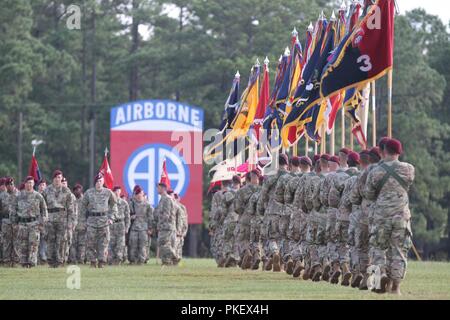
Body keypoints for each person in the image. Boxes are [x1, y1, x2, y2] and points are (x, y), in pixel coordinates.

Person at [364, 139, 414, 295]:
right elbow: (408, 183)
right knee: (399, 251)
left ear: (383, 151)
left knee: (377, 248)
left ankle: (380, 279)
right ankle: (396, 288)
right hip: (401, 217)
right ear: (399, 152)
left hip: (381, 216)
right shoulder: (408, 169)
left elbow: (369, 194)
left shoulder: (375, 171)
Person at [257, 154, 290, 272]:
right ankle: (284, 260)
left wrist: (261, 210)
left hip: (272, 211)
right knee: (285, 238)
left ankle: (275, 252)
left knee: (272, 237)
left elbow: (263, 195)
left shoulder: (270, 176)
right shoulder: (292, 177)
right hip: (287, 212)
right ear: (287, 163)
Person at [81, 173, 118, 268]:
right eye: (97, 181)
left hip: (104, 221)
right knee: (90, 243)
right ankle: (93, 261)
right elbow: (83, 207)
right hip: (91, 221)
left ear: (103, 182)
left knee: (104, 243)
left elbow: (114, 206)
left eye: (100, 181)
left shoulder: (108, 192)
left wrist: (111, 218)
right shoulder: (88, 193)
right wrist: (83, 221)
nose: (98, 183)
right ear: (95, 183)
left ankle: (102, 262)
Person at [11, 176, 48, 268]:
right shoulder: (19, 196)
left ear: (34, 184)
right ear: (25, 184)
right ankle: (24, 264)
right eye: (28, 183)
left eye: (31, 183)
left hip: (34, 224)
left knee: (33, 245)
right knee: (22, 245)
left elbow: (44, 211)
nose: (29, 185)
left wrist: (41, 224)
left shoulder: (38, 196)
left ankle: (31, 264)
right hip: (22, 224)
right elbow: (13, 211)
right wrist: (14, 224)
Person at [42, 170, 75, 268]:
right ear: (53, 179)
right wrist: (43, 219)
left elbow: (70, 209)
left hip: (62, 219)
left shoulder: (66, 191)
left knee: (61, 241)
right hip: (50, 219)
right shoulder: (46, 191)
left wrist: (70, 222)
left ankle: (59, 261)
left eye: (59, 178)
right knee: (50, 240)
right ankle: (51, 261)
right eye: (56, 177)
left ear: (62, 179)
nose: (57, 179)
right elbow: (42, 206)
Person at [234, 170, 260, 269]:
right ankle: (257, 254)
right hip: (258, 220)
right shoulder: (262, 190)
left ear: (247, 179)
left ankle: (246, 252)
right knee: (256, 240)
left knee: (242, 239)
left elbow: (237, 208)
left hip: (245, 219)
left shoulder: (241, 191)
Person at [128, 185, 153, 265]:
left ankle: (141, 261)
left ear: (143, 194)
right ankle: (133, 260)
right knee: (133, 245)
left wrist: (150, 228)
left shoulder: (147, 205)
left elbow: (150, 217)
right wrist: (131, 217)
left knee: (143, 245)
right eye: (137, 194)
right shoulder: (131, 204)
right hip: (134, 228)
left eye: (140, 194)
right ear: (135, 195)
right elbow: (127, 215)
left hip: (144, 228)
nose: (139, 196)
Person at [154, 183, 177, 266]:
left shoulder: (167, 199)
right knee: (164, 243)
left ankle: (174, 256)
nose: (157, 189)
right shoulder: (163, 199)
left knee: (162, 243)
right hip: (164, 225)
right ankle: (167, 262)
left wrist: (160, 224)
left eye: (158, 188)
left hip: (166, 226)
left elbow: (166, 215)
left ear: (163, 188)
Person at [0, 177, 20, 267]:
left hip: (16, 221)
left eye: (12, 184)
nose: (10, 186)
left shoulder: (19, 194)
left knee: (16, 241)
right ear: (6, 186)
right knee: (6, 242)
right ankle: (6, 261)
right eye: (8, 185)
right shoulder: (2, 195)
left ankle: (15, 261)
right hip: (5, 221)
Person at [108, 186, 130, 265]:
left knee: (120, 244)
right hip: (111, 225)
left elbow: (127, 217)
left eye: (118, 191)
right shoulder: (109, 203)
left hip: (121, 225)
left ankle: (118, 260)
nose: (117, 193)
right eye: (115, 191)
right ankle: (110, 260)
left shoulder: (124, 203)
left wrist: (127, 228)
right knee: (111, 244)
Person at [220, 179, 239, 267]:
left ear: (232, 184)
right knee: (237, 240)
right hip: (240, 221)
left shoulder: (227, 194)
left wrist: (222, 220)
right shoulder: (243, 193)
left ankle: (228, 256)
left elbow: (223, 211)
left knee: (227, 239)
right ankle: (235, 258)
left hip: (229, 220)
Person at [69, 184, 86, 264]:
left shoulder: (85, 200)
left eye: (79, 189)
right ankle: (73, 260)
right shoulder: (71, 200)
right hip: (73, 226)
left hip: (83, 225)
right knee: (72, 244)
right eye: (76, 190)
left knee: (82, 244)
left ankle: (81, 260)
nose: (77, 191)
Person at [174, 193, 188, 264]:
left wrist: (184, 231)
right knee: (174, 247)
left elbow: (185, 220)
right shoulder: (172, 206)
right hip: (174, 231)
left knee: (179, 247)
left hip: (181, 231)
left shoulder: (182, 207)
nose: (176, 199)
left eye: (177, 197)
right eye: (175, 197)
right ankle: (173, 261)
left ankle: (177, 262)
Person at [37, 179, 48, 264]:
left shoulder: (48, 195)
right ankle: (37, 257)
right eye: (40, 185)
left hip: (45, 221)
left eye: (43, 185)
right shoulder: (35, 195)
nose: (42, 187)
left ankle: (43, 255)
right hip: (35, 221)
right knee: (35, 239)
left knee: (44, 239)